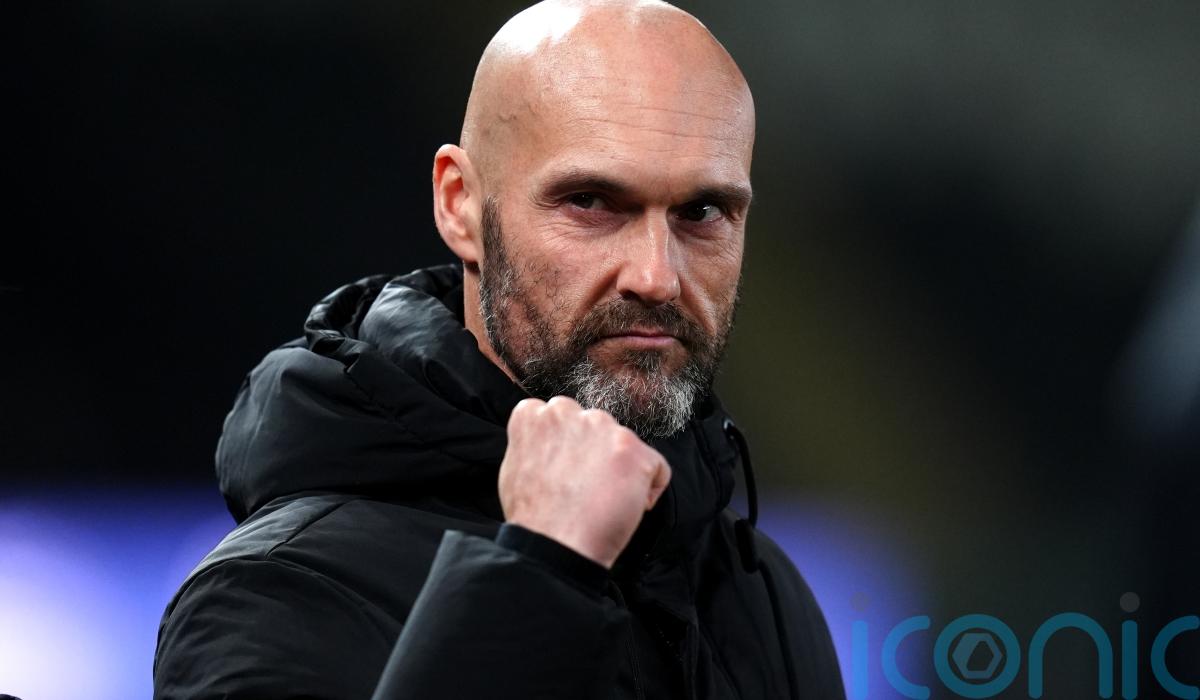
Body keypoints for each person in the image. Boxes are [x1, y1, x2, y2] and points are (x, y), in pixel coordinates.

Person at [153, 1, 845, 698]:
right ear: (459, 205)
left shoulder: (764, 597)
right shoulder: (272, 593)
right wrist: (541, 569)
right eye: (590, 202)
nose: (657, 276)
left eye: (702, 212)